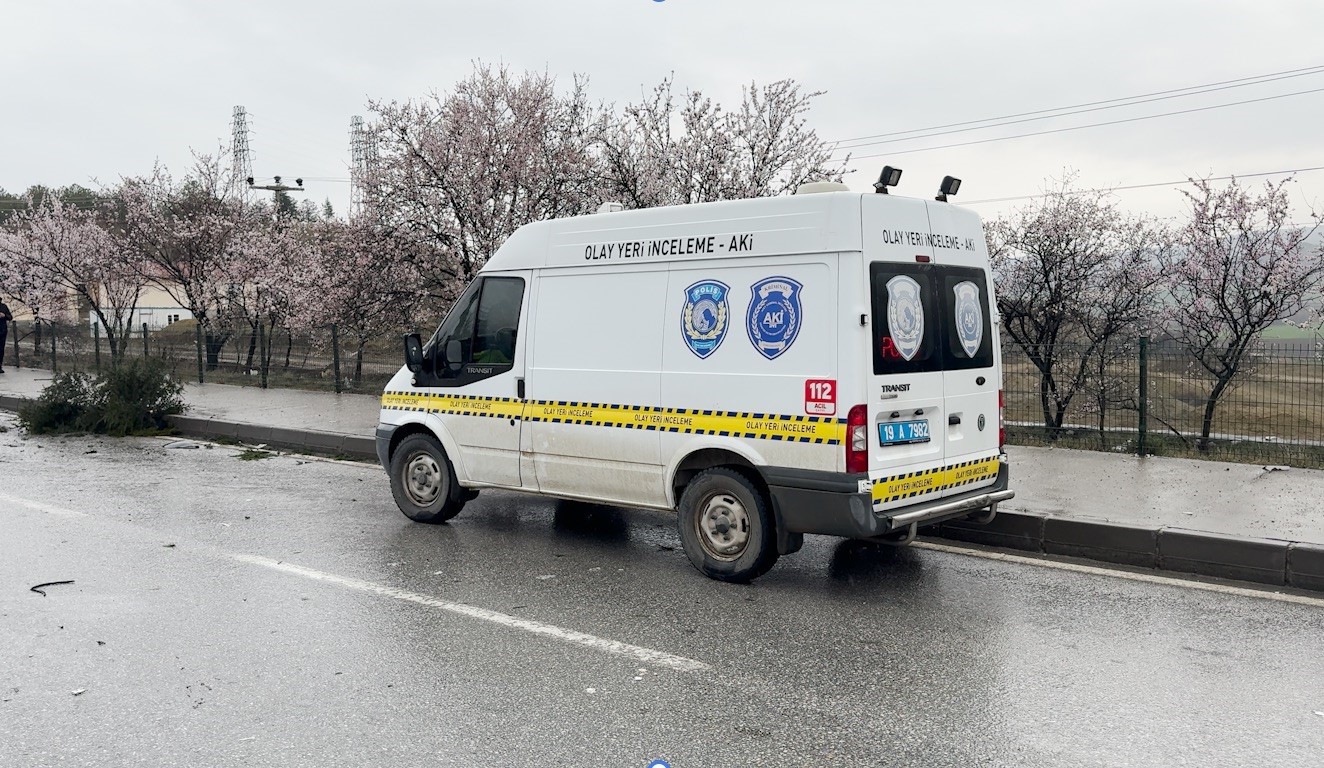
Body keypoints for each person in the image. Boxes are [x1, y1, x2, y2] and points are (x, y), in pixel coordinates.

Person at [0, 298, 11, 373]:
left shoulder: (4, 307)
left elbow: (10, 317)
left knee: (0, 349)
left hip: (2, 331)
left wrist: (4, 315)